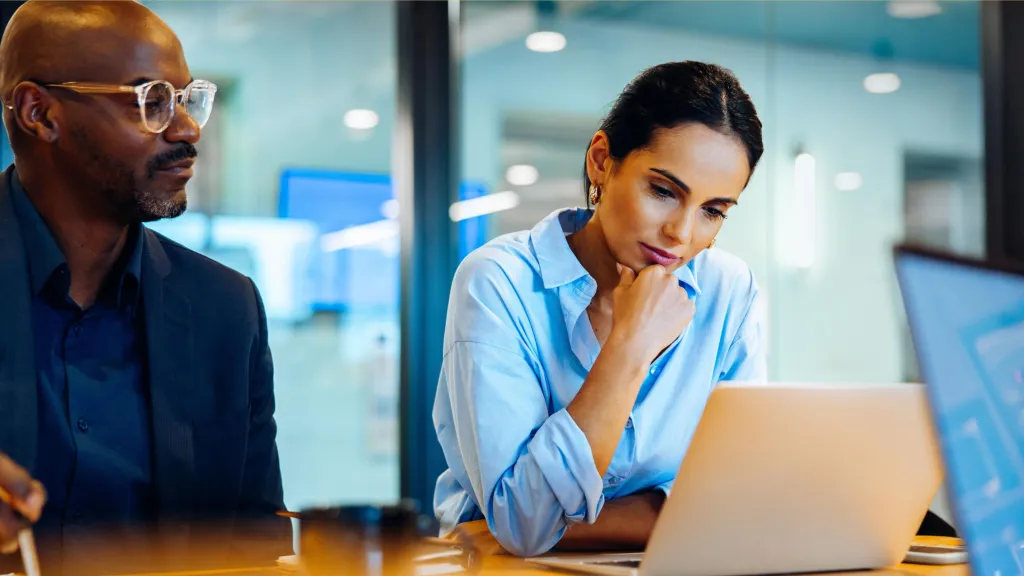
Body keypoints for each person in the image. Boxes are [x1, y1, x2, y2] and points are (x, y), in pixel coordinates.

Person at [432, 61, 765, 557]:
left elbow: (745, 503)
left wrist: (569, 526)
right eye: (663, 191)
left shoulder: (728, 290)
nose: (681, 234)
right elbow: (526, 524)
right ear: (601, 161)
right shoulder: (498, 282)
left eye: (713, 211)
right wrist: (631, 348)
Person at [0, 1, 289, 572]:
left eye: (187, 101)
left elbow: (255, 545)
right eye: (151, 100)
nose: (186, 130)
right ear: (40, 113)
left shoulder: (226, 310)